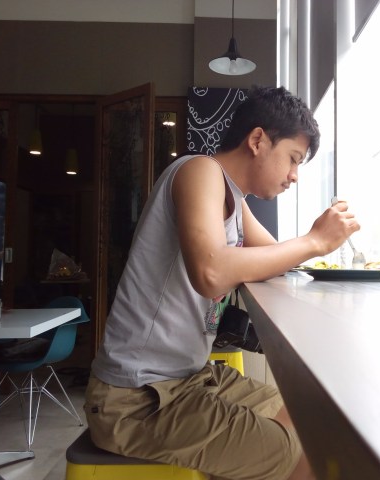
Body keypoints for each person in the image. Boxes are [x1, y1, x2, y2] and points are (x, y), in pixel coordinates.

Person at [85, 86, 360, 480]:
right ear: (258, 140)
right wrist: (314, 241)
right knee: (295, 453)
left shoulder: (234, 200)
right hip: (135, 399)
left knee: (307, 416)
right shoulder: (199, 170)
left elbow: (275, 259)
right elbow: (210, 271)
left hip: (187, 380)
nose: (294, 177)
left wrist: (318, 244)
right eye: (293, 159)